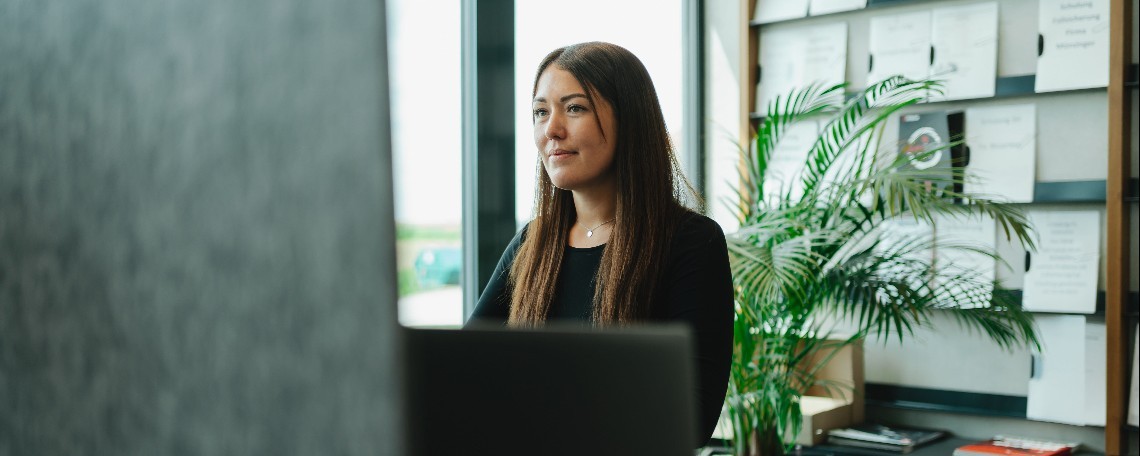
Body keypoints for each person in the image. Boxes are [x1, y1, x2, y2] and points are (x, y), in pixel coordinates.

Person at [467, 42, 734, 446]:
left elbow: (692, 415)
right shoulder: (531, 243)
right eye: (541, 112)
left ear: (630, 120)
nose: (551, 129)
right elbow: (463, 371)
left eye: (574, 108)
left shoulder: (690, 243)